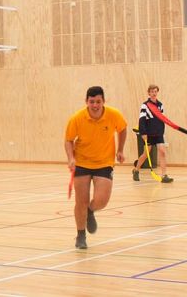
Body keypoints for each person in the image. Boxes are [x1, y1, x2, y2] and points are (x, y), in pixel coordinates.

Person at [64, 85, 127, 250]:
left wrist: (120, 150)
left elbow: (123, 129)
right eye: (92, 102)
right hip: (82, 162)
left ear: (103, 101)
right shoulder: (77, 118)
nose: (95, 105)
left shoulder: (114, 115)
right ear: (86, 102)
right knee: (80, 201)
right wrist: (71, 158)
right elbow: (69, 140)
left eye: (98, 101)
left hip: (104, 162)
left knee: (102, 200)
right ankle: (80, 235)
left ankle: (91, 211)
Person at [132, 85, 173, 183]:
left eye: (155, 91)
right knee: (146, 154)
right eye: (152, 91)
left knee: (162, 152)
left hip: (158, 133)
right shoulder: (145, 105)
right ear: (149, 93)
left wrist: (162, 131)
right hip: (149, 133)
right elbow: (141, 120)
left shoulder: (160, 105)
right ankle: (136, 170)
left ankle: (164, 176)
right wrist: (143, 132)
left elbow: (162, 119)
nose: (154, 93)